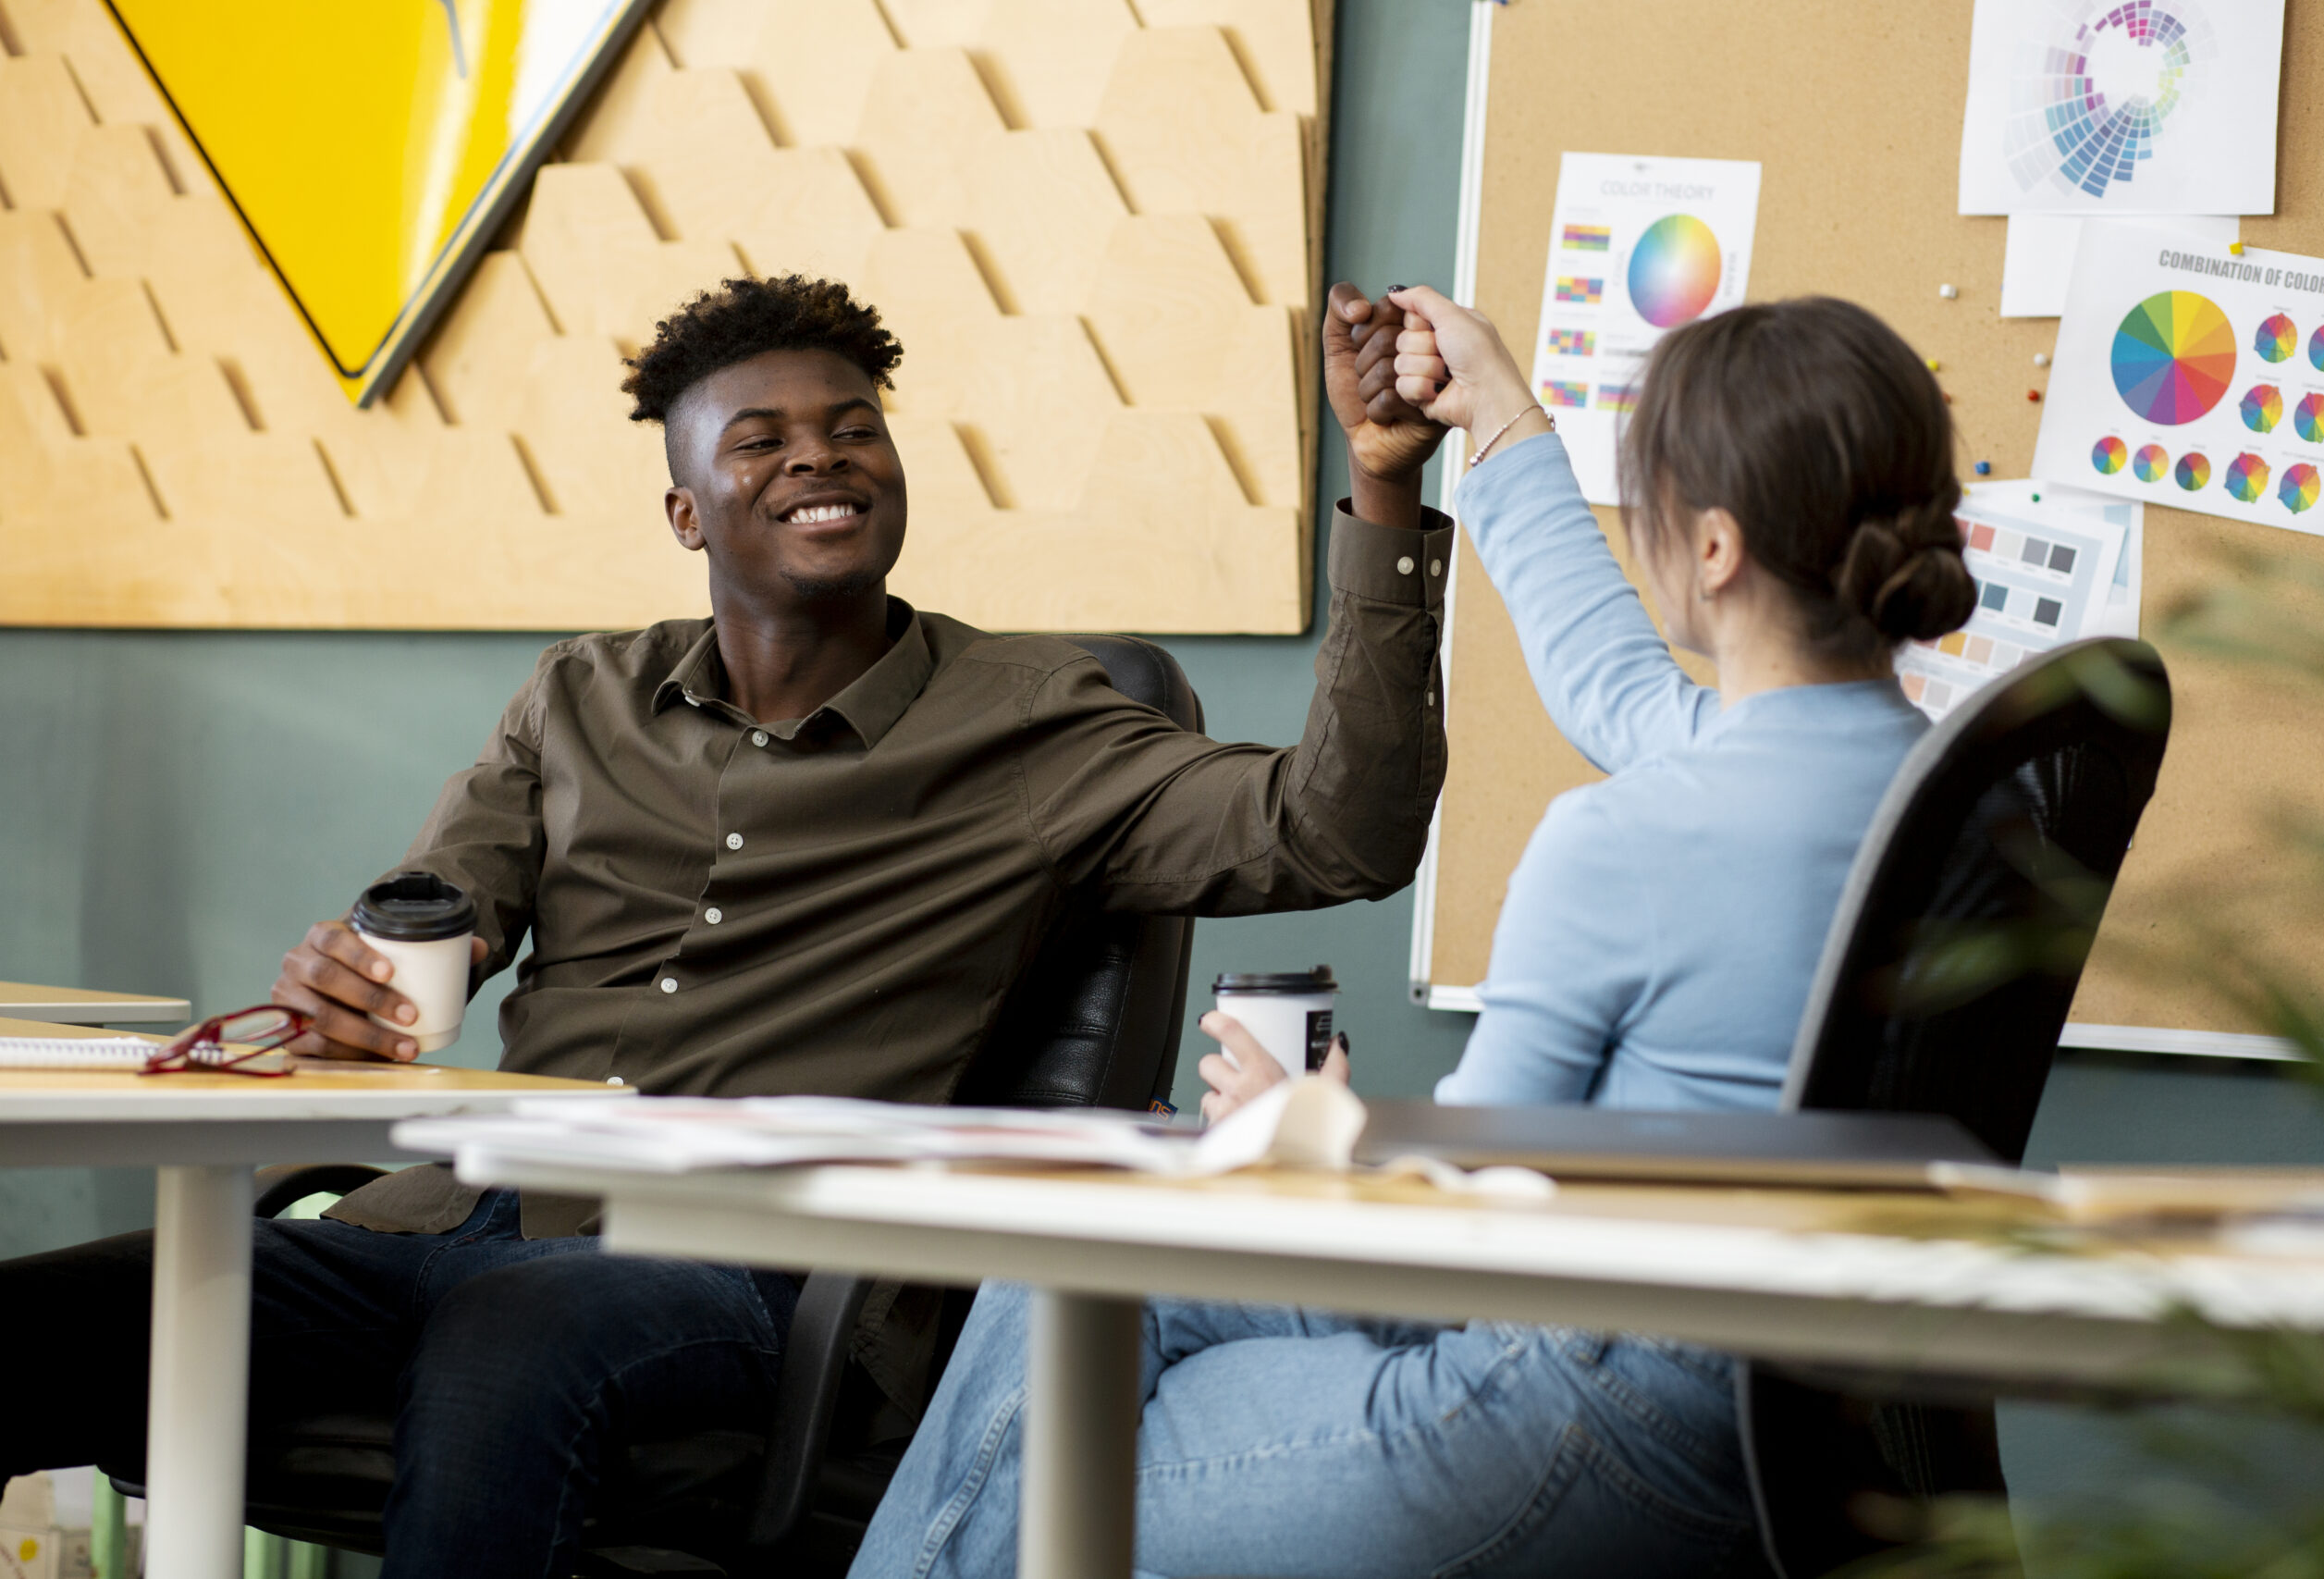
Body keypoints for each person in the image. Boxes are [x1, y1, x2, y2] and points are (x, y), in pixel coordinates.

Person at [0, 275, 1455, 1579]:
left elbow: (1337, 827)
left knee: (512, 1344)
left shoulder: (1036, 727)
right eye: (758, 438)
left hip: (748, 1268)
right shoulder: (583, 699)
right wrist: (353, 982)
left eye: (855, 426)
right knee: (41, 1319)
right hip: (449, 1219)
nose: (819, 452)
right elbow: (434, 918)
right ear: (688, 511)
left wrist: (1383, 496)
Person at [846, 289, 1979, 1579]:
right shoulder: (1951, 792)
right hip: (1806, 1421)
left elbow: (1451, 1261)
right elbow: (1609, 684)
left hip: (1578, 1410)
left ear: (1711, 550)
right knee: (1094, 1246)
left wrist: (1311, 1140)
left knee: (1046, 1451)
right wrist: (1495, 409)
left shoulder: (1629, 841)